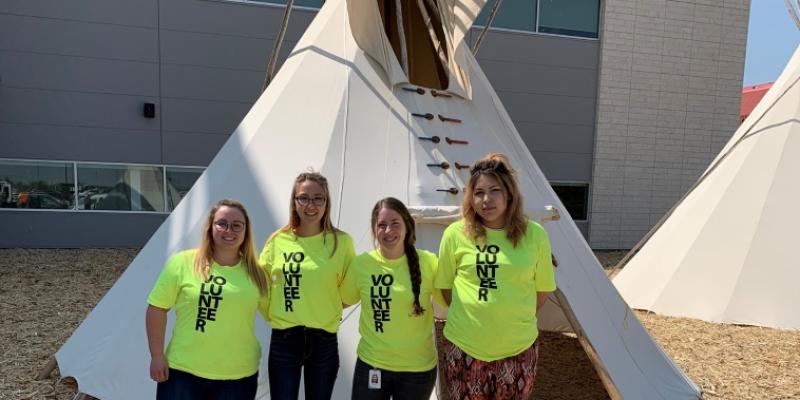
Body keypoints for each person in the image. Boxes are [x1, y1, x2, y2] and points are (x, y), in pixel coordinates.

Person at [435, 153, 557, 399]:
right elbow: (445, 288)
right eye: (479, 192)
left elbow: (542, 290)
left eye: (495, 190)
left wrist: (510, 316)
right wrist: (476, 316)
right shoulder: (455, 234)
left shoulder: (535, 235)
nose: (486, 199)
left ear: (509, 193)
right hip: (465, 348)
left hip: (518, 350)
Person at [145, 199, 269, 399]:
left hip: (238, 377)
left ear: (246, 230)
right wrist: (157, 356)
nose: (229, 230)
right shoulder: (183, 262)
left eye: (237, 225)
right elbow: (157, 308)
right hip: (183, 372)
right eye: (222, 223)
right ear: (210, 227)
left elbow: (279, 314)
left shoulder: (257, 273)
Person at [260, 172, 356, 400]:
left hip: (324, 340)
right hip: (284, 339)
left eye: (318, 198)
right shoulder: (278, 240)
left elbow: (352, 288)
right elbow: (258, 283)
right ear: (294, 202)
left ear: (326, 203)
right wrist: (274, 313)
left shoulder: (342, 243)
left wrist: (327, 307)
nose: (310, 205)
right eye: (303, 198)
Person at [340, 197, 442, 400]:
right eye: (382, 225)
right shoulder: (362, 265)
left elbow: (452, 300)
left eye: (395, 223)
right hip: (373, 365)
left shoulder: (428, 262)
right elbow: (340, 302)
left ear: (407, 226)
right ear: (374, 229)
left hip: (418, 370)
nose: (388, 231)